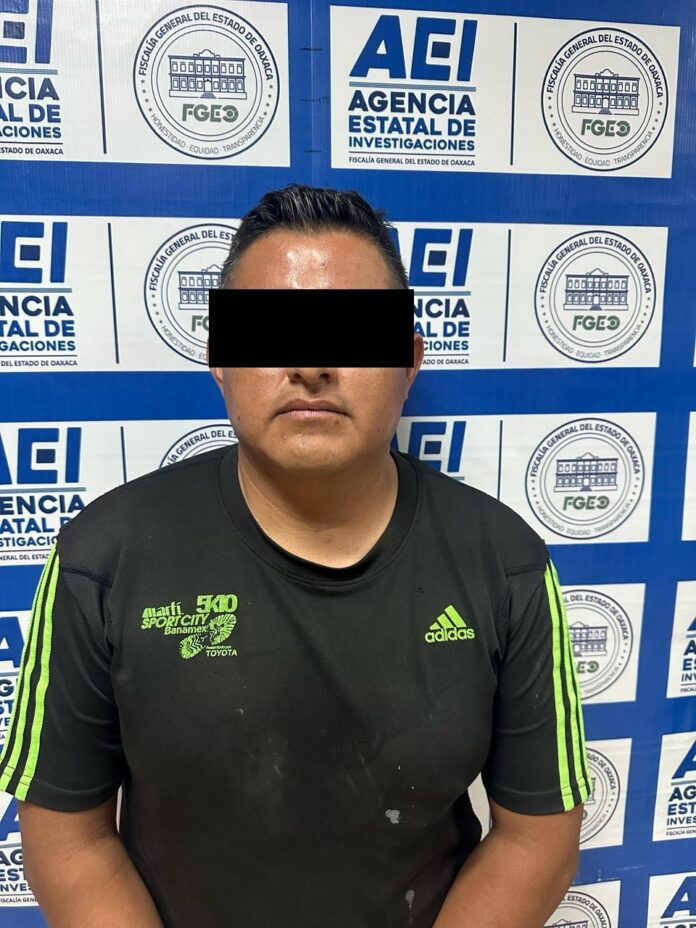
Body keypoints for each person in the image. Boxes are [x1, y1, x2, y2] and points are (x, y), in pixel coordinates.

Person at [0, 184, 591, 928]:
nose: (310, 364)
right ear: (219, 358)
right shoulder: (103, 559)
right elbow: (68, 840)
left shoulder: (504, 562)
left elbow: (538, 840)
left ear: (409, 361)